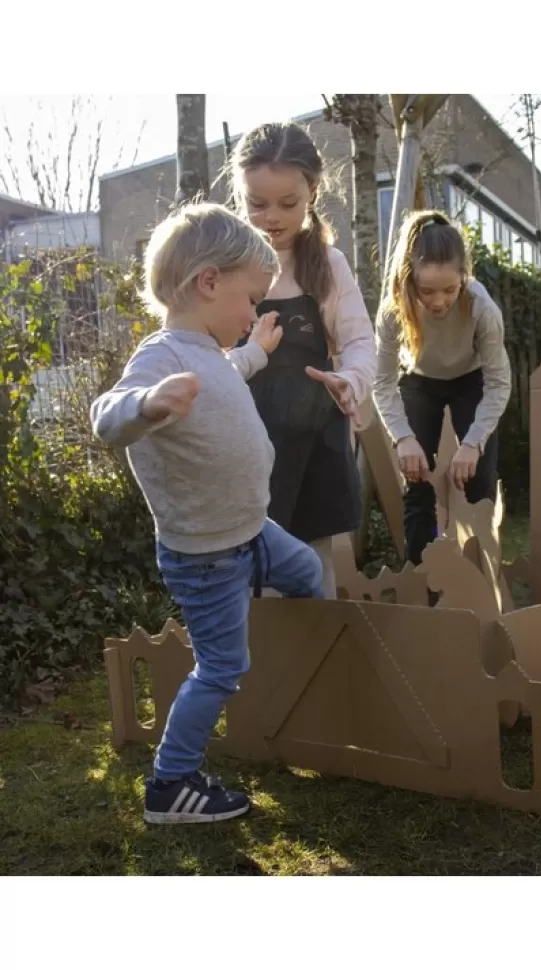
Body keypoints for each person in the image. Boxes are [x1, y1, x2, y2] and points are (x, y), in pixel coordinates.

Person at [90, 203, 326, 825]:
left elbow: (227, 375)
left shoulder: (206, 352)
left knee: (306, 573)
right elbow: (106, 415)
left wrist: (256, 349)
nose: (253, 311)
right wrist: (147, 402)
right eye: (250, 299)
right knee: (220, 669)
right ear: (209, 283)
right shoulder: (162, 357)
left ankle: (297, 668)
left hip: (253, 533)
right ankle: (171, 784)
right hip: (208, 556)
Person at [229, 122, 377, 598]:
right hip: (250, 442)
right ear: (239, 195)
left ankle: (321, 660)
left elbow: (357, 340)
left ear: (312, 192)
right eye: (257, 204)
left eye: (287, 204)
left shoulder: (328, 265)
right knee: (253, 565)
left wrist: (350, 380)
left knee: (315, 568)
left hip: (317, 442)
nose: (271, 217)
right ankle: (260, 667)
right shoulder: (225, 267)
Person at [373, 209, 512, 566]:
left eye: (450, 289)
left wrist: (471, 444)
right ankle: (423, 584)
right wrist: (403, 438)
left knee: (480, 480)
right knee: (416, 482)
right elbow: (383, 381)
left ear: (464, 277)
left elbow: (498, 383)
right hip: (419, 379)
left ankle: (482, 573)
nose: (438, 302)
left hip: (473, 379)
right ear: (408, 280)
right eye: (427, 291)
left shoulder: (482, 308)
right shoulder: (393, 310)